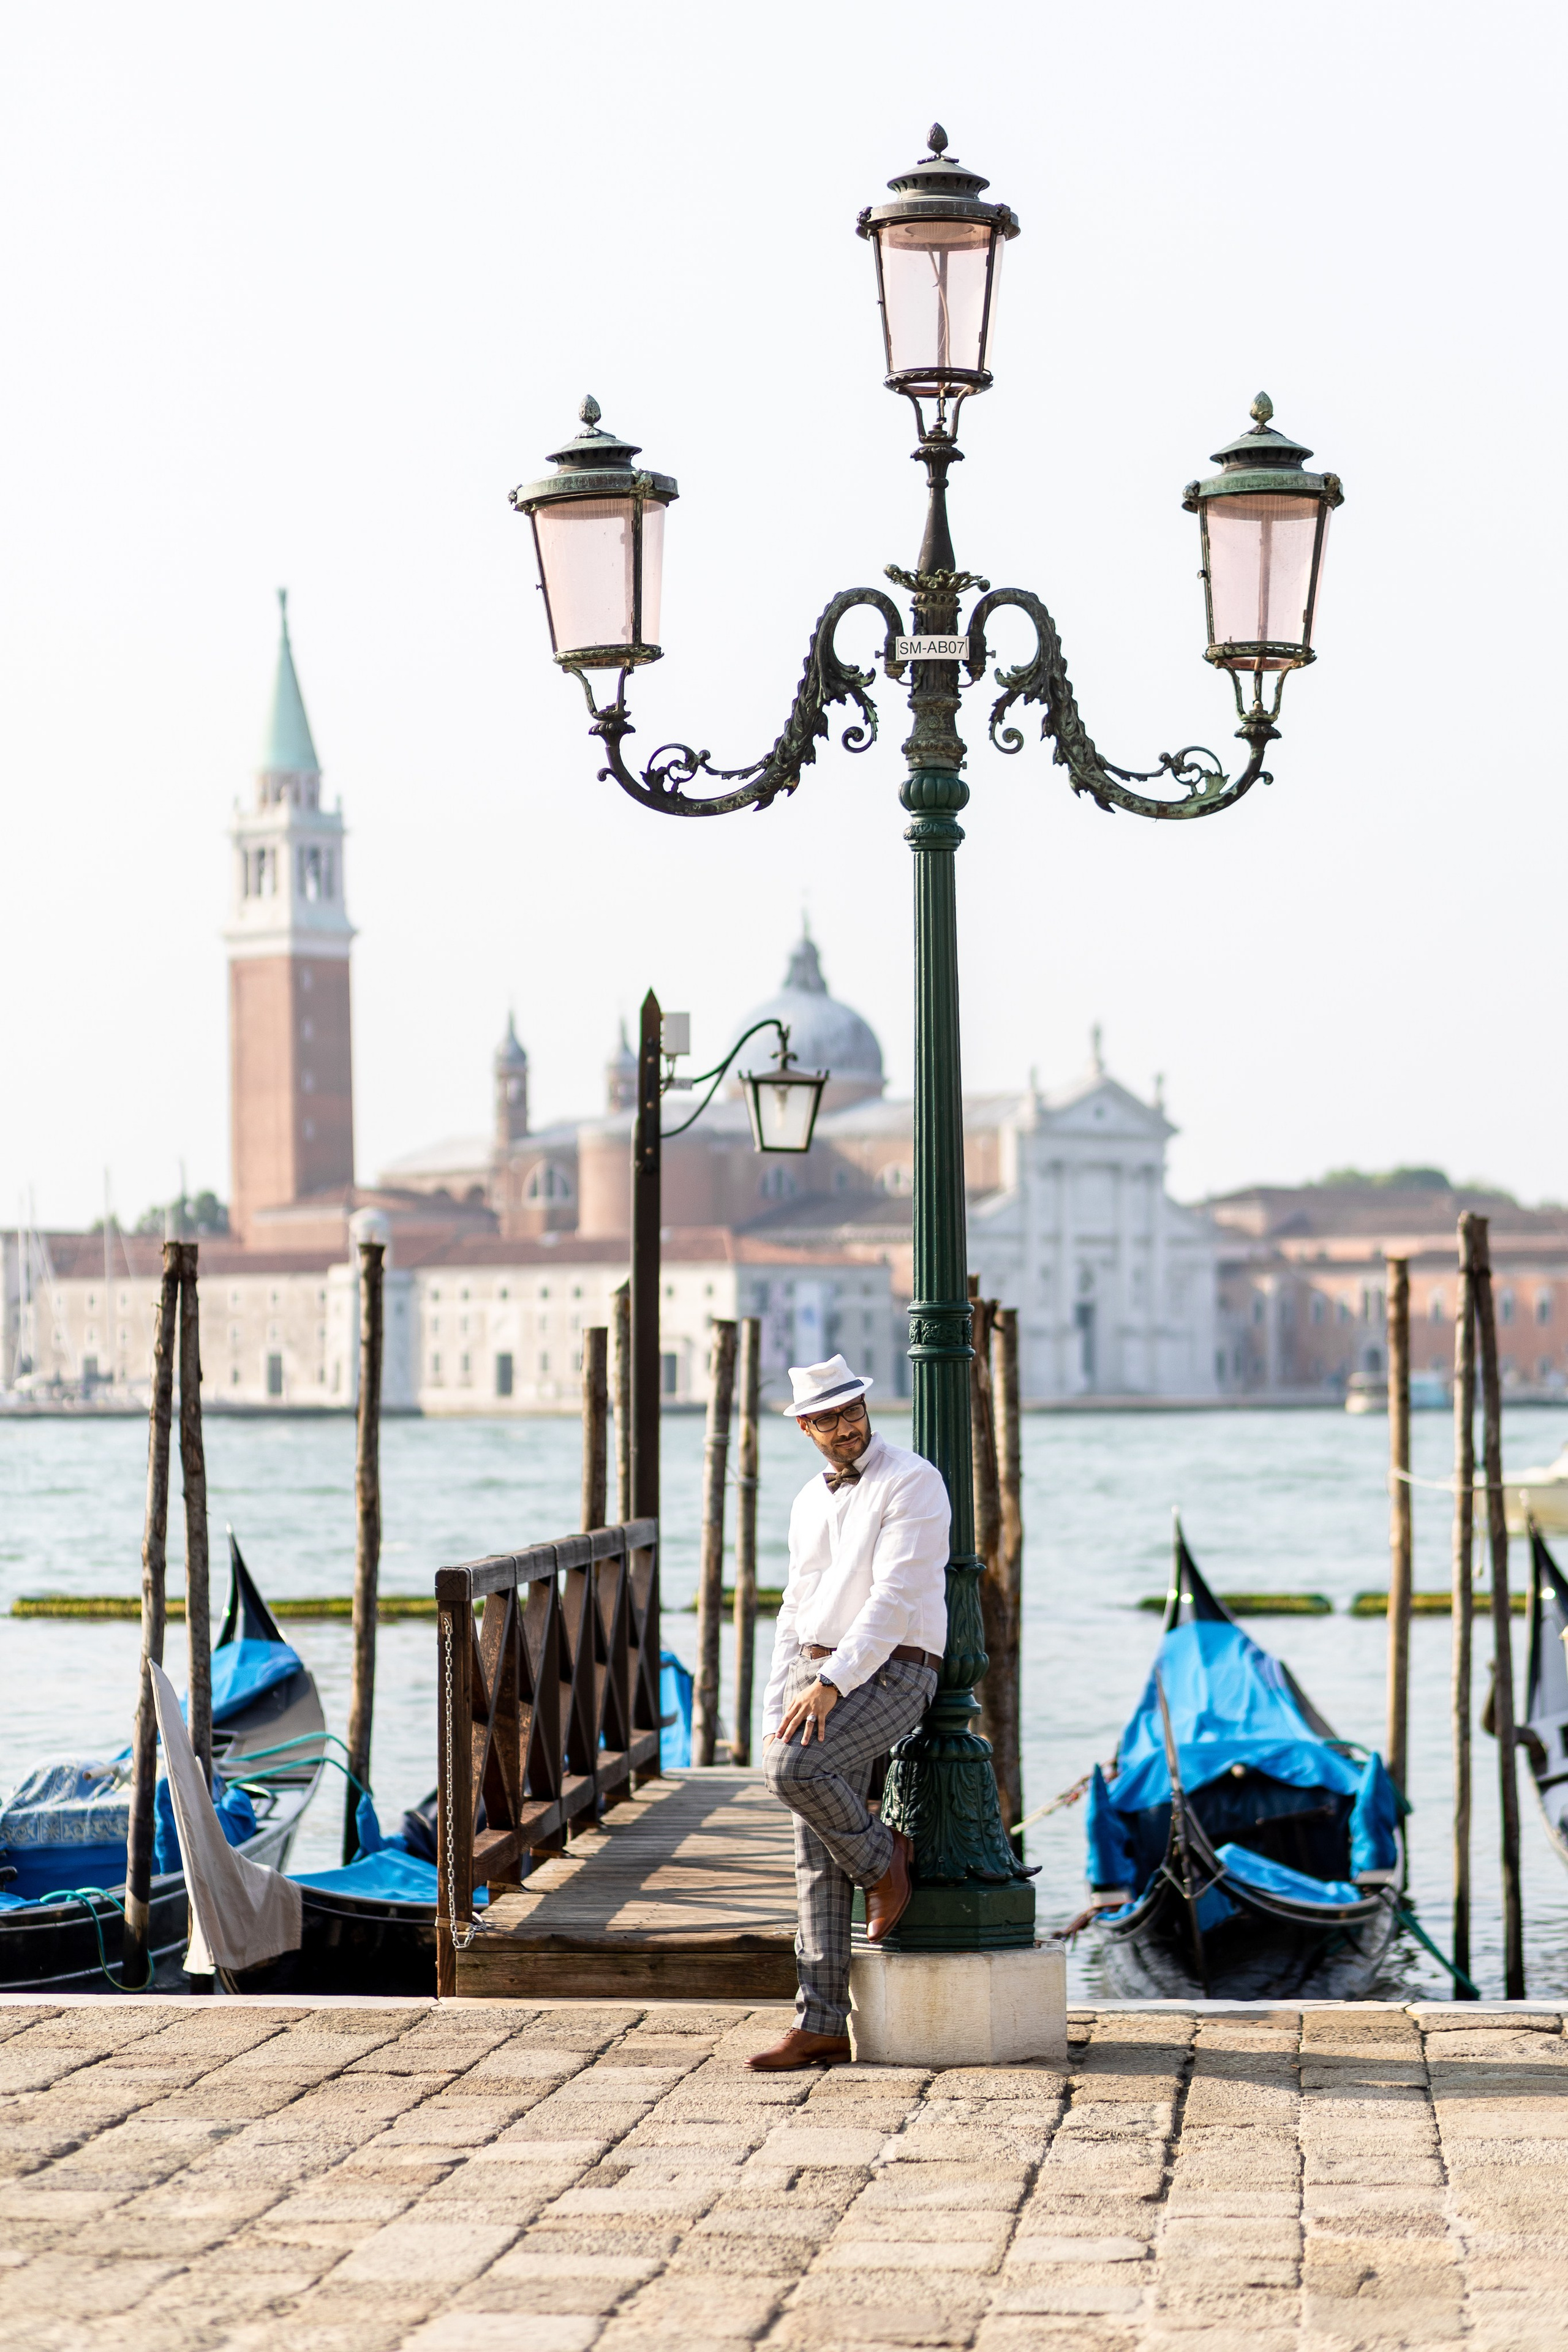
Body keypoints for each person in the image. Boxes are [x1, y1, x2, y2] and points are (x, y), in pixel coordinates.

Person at [750, 1353, 950, 2071]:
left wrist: (831, 1684)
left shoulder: (915, 1481)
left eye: (853, 1411)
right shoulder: (809, 1499)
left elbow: (893, 1598)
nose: (846, 1428)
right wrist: (779, 1701)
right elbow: (794, 1607)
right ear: (806, 1427)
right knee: (811, 1852)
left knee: (796, 1767)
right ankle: (822, 2023)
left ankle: (885, 1861)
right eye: (828, 1419)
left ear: (867, 1407)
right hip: (816, 1667)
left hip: (895, 1669)